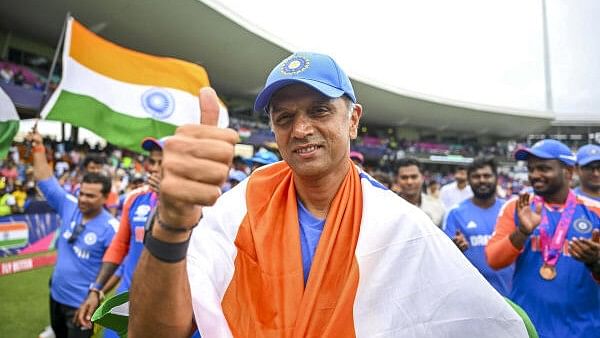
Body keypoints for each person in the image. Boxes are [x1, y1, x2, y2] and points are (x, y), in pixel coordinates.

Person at [128, 52, 529, 337]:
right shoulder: (238, 208)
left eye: (319, 111)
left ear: (352, 120)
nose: (300, 129)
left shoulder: (400, 225)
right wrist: (172, 225)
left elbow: (472, 323)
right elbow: (151, 332)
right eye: (285, 117)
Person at [486, 139, 600, 338]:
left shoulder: (595, 212)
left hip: (584, 329)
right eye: (531, 169)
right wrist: (521, 232)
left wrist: (595, 262)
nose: (534, 175)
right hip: (528, 328)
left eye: (544, 168)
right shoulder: (517, 207)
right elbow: (494, 260)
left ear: (568, 171)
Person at [28, 130, 118, 338]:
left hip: (81, 305)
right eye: (82, 193)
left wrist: (96, 294)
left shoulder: (111, 228)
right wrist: (39, 147)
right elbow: (45, 181)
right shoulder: (69, 206)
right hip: (56, 296)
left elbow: (119, 268)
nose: (83, 199)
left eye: (90, 196)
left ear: (105, 198)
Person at [75, 137, 163, 336]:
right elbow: (120, 245)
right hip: (126, 298)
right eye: (152, 161)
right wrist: (96, 290)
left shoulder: (194, 206)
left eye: (161, 162)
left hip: (167, 304)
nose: (154, 168)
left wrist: (168, 200)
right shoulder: (134, 198)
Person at [443, 157, 513, 296]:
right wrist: (455, 248)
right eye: (476, 176)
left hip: (509, 295)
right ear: (469, 180)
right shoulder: (455, 213)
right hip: (472, 297)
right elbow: (445, 257)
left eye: (487, 176)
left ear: (496, 179)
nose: (482, 180)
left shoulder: (509, 210)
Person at [396, 157, 445, 227]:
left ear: (422, 178)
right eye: (404, 177)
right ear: (397, 180)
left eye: (414, 177)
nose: (409, 182)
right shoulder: (387, 208)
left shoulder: (437, 207)